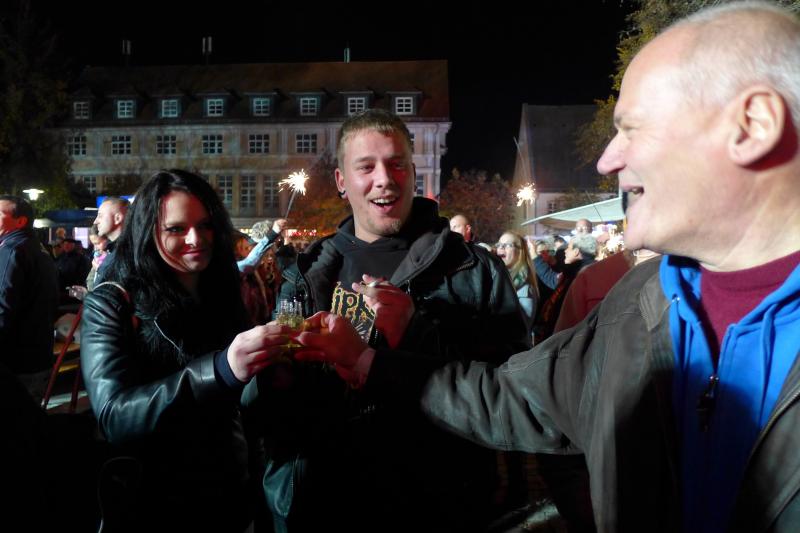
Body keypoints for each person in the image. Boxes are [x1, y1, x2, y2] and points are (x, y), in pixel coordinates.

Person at [292, 4, 800, 531]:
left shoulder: (504, 274)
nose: (607, 160)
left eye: (633, 129)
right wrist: (363, 363)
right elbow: (514, 399)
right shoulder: (639, 303)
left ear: (754, 126)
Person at [249, 108, 529, 532]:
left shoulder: (473, 268)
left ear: (413, 173)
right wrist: (271, 376)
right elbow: (273, 417)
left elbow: (513, 395)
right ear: (342, 181)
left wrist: (416, 333)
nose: (385, 178)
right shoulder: (305, 274)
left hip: (437, 506)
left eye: (397, 164)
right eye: (366, 167)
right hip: (323, 505)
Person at [79, 170, 286, 530]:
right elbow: (114, 416)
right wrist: (219, 370)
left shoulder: (221, 290)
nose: (196, 239)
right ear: (147, 231)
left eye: (205, 225)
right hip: (153, 501)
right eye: (176, 229)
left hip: (230, 494)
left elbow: (242, 404)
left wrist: (277, 370)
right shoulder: (111, 301)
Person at [0, 195, 59, 402]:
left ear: (20, 221)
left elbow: (3, 307)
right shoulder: (40, 250)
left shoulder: (12, 250)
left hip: (15, 362)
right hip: (39, 357)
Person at [495, 231, 539, 338]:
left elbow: (520, 327)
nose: (501, 247)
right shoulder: (498, 276)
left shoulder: (525, 287)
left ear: (520, 252)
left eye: (508, 245)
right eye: (499, 244)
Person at [93, 196, 129, 283]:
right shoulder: (113, 250)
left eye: (100, 215)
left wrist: (101, 269)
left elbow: (121, 286)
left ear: (117, 219)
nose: (95, 221)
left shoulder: (127, 253)